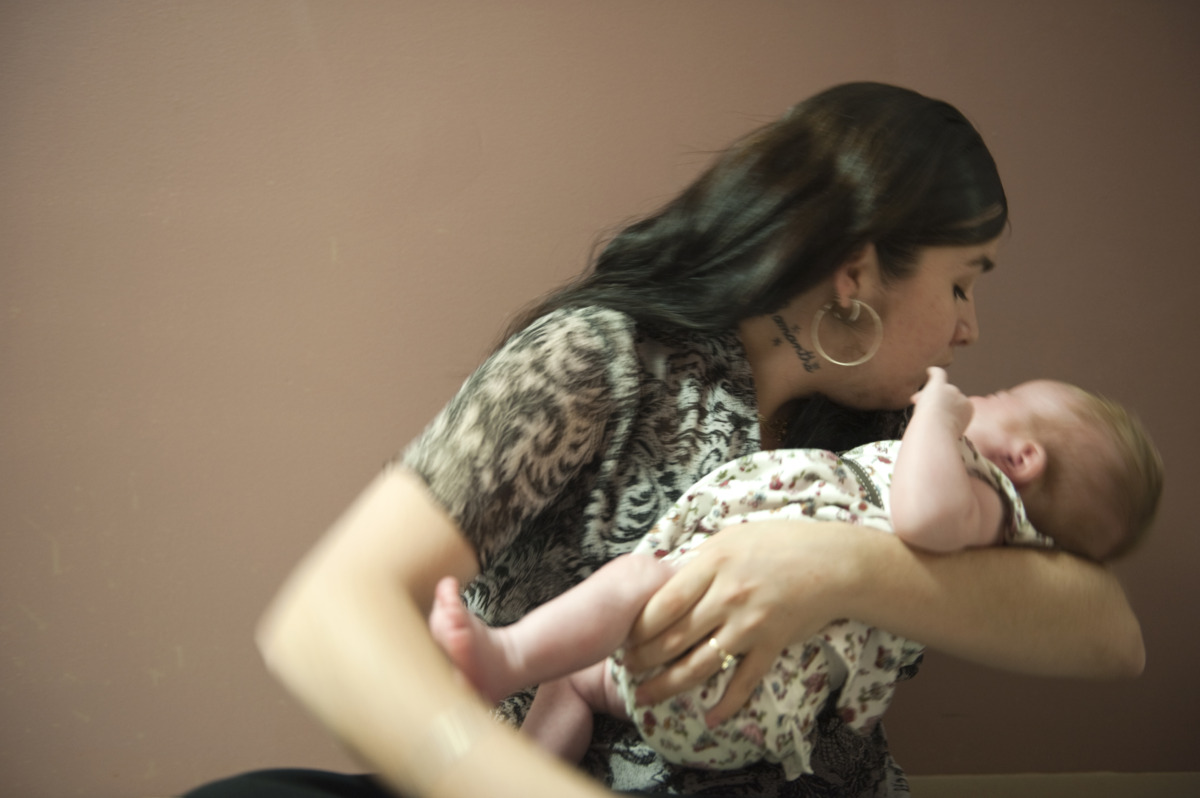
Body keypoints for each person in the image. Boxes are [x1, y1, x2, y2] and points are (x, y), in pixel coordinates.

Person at [182, 83, 1146, 798]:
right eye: (965, 281)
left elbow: (1110, 635)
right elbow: (327, 613)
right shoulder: (600, 361)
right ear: (857, 274)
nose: (972, 328)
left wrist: (829, 564)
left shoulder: (906, 437)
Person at [427, 366, 1162, 779]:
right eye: (961, 287)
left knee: (631, 584)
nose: (974, 353)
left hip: (736, 671)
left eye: (1006, 399)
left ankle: (510, 656)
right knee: (579, 678)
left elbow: (922, 518)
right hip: (719, 695)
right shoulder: (616, 358)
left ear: (1022, 460)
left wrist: (939, 416)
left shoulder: (982, 501)